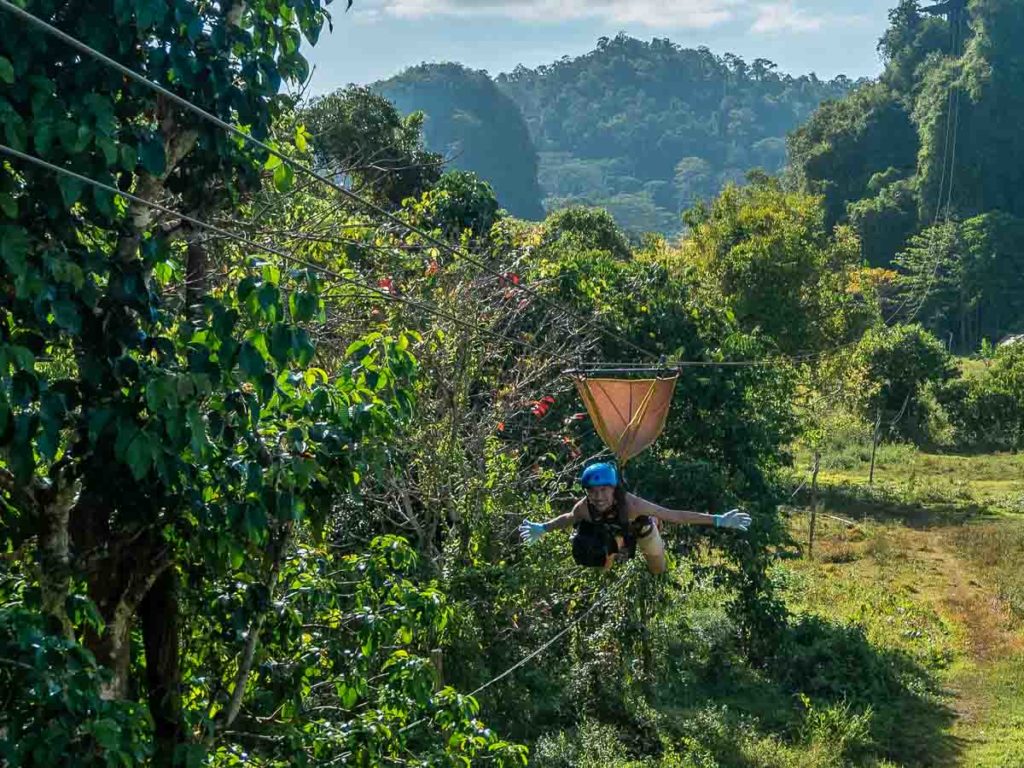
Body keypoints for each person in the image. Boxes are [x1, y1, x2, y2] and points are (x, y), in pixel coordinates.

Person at [518, 462, 751, 574]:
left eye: (603, 491)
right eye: (592, 492)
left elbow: (675, 515)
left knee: (657, 569)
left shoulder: (632, 505)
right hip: (616, 533)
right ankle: (615, 556)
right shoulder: (585, 508)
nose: (598, 497)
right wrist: (543, 528)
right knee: (587, 545)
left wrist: (717, 520)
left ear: (613, 489)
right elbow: (568, 518)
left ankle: (652, 552)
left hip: (641, 528)